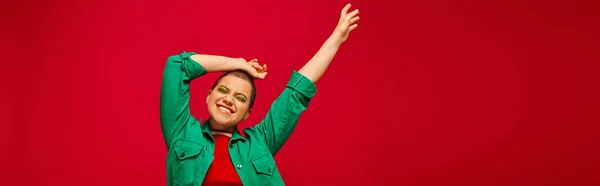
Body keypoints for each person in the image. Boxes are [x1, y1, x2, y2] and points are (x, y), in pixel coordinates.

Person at [159, 3, 360, 186]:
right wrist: (238, 63)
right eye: (223, 90)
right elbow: (177, 66)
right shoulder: (182, 132)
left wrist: (337, 38)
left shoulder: (260, 143)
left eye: (240, 98)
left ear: (247, 113)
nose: (229, 100)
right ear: (208, 96)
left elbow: (297, 92)